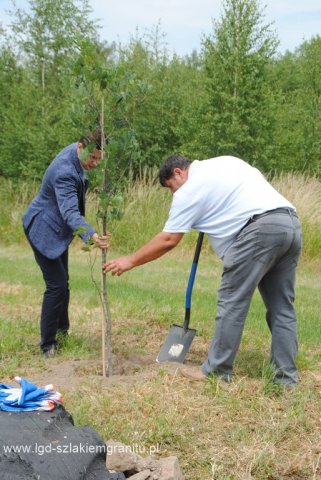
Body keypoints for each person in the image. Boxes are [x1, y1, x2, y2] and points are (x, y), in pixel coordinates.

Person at [104, 154, 302, 387]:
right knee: (282, 307)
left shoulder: (189, 190)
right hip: (289, 224)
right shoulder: (225, 163)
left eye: (171, 187)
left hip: (258, 231)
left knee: (232, 302)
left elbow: (168, 239)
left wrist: (130, 260)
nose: (173, 194)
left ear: (178, 172)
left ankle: (217, 372)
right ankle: (285, 379)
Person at [23, 128, 109, 358]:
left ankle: (62, 332)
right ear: (81, 148)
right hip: (43, 229)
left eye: (99, 159)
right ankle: (47, 345)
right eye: (92, 158)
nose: (94, 163)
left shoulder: (78, 153)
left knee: (64, 283)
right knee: (56, 286)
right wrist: (92, 236)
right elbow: (70, 212)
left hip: (57, 229)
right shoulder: (64, 171)